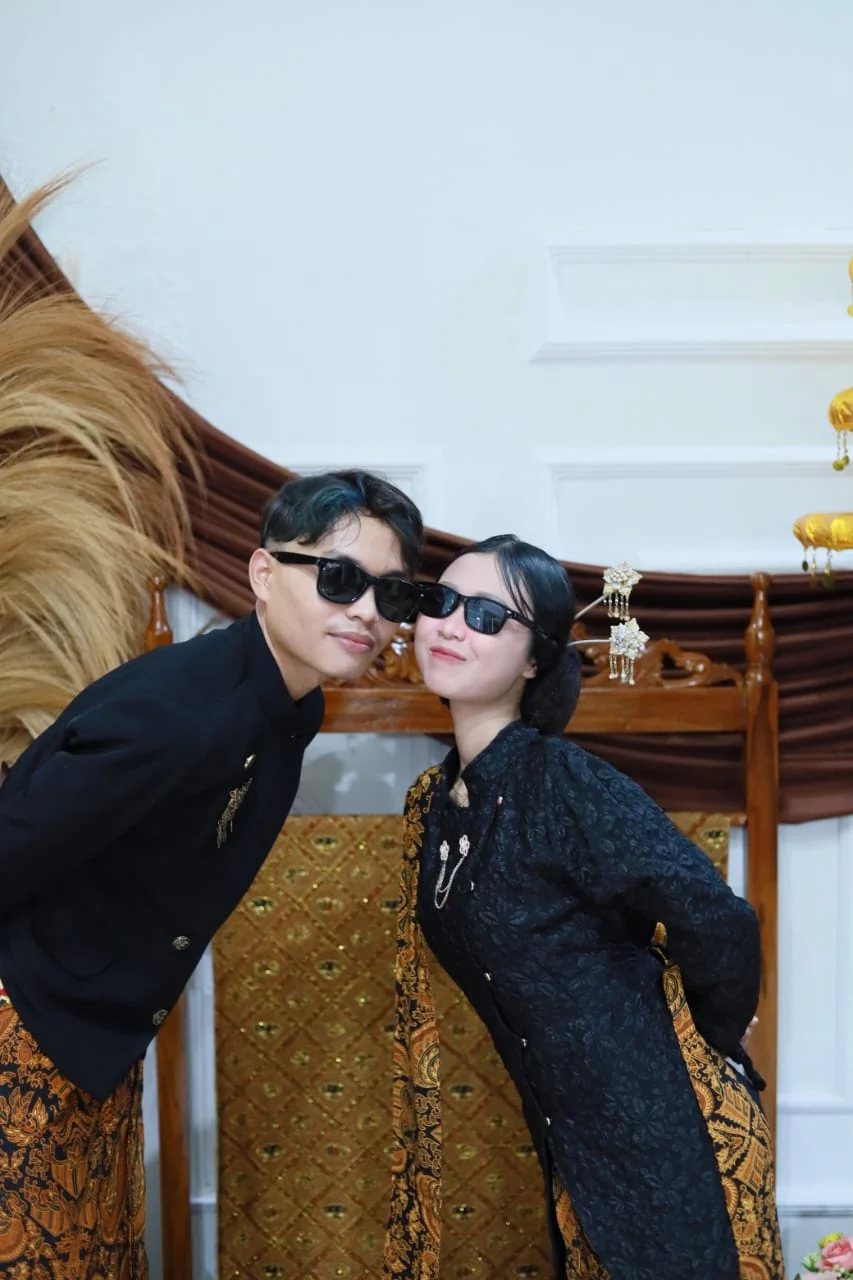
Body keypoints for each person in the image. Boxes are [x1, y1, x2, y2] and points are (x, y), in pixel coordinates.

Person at [0, 468, 422, 1276]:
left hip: (90, 1034)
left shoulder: (287, 706)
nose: (368, 612)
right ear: (263, 573)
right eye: (339, 580)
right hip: (27, 1028)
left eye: (392, 594)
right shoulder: (179, 713)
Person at [383, 534, 784, 1280]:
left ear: (534, 660)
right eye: (440, 601)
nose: (449, 625)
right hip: (570, 1141)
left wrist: (711, 1033)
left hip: (665, 1136)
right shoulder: (435, 802)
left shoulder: (562, 780)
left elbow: (715, 915)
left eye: (484, 615)